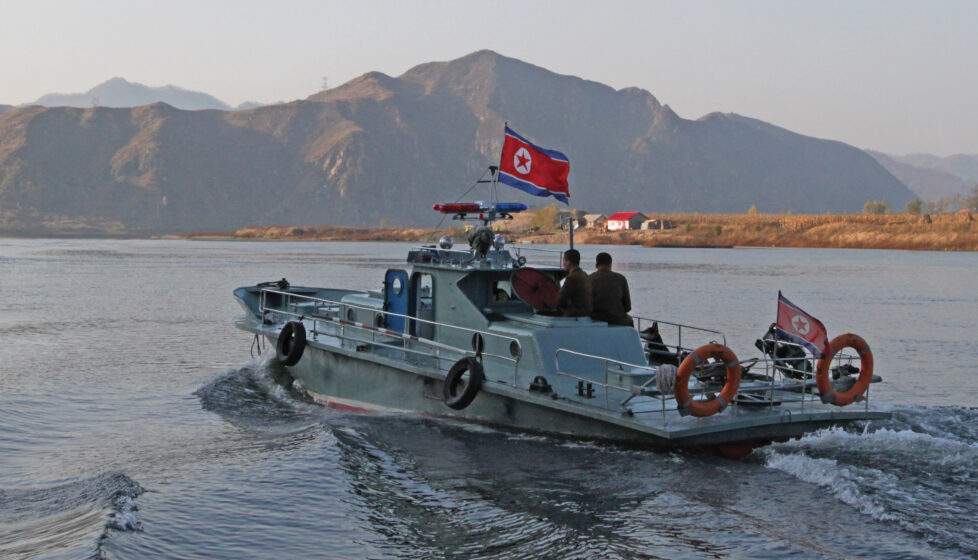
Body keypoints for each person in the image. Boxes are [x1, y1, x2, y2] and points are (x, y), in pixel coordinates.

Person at [589, 252, 633, 326]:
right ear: (610, 264)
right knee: (629, 320)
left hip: (595, 319)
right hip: (617, 319)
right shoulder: (621, 279)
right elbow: (627, 307)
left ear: (596, 265)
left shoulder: (589, 279)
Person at [556, 249, 591, 317]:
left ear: (568, 262)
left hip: (575, 314)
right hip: (586, 313)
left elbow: (560, 299)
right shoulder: (584, 275)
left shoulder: (572, 278)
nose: (563, 263)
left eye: (564, 260)